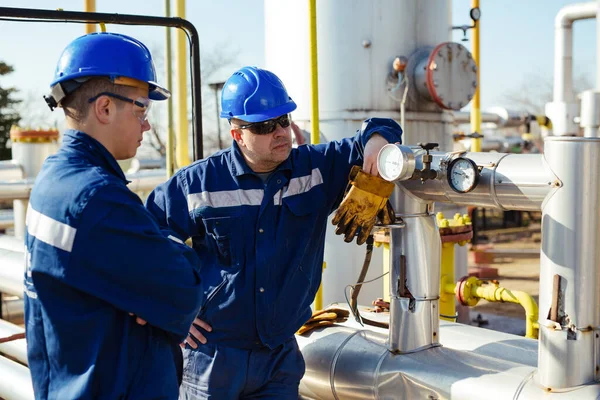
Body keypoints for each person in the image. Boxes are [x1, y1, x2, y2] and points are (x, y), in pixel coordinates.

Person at [145, 66, 403, 399]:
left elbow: (382, 128)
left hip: (279, 356)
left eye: (283, 120)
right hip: (213, 356)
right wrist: (172, 309)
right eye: (265, 126)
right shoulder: (198, 184)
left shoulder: (315, 170)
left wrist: (377, 146)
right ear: (238, 134)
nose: (280, 132)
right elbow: (147, 238)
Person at [24, 32, 204, 399]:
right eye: (141, 109)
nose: (147, 125)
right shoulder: (98, 198)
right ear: (104, 108)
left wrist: (142, 289)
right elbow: (184, 290)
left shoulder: (54, 177)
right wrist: (170, 251)